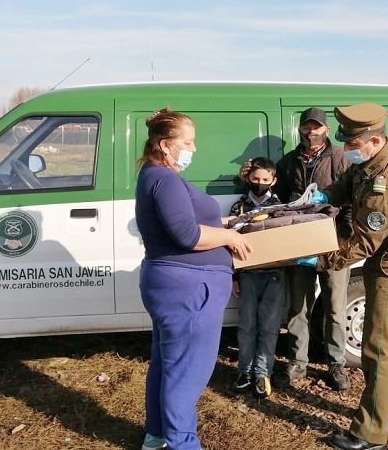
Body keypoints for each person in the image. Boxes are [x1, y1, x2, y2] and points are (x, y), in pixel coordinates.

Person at [136, 108, 252, 450]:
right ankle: (182, 443)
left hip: (176, 283)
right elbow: (187, 235)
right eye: (187, 142)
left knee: (168, 365)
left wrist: (226, 224)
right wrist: (229, 238)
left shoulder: (155, 174)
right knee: (186, 374)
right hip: (188, 288)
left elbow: (185, 222)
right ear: (164, 144)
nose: (193, 149)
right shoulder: (165, 178)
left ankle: (157, 437)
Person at [318, 103, 388, 450]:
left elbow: (365, 241)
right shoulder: (372, 161)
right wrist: (322, 196)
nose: (347, 151)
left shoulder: (387, 184)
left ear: (374, 140)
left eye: (351, 145)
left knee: (376, 346)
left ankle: (369, 433)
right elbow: (347, 183)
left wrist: (323, 259)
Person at [240, 107, 352, 391]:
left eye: (316, 127)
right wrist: (244, 179)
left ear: (326, 130)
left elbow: (353, 198)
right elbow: (272, 196)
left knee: (335, 308)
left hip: (332, 245)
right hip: (299, 243)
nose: (311, 131)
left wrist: (345, 236)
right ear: (301, 129)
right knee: (298, 307)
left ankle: (336, 364)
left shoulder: (340, 158)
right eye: (306, 126)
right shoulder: (289, 161)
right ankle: (297, 362)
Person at [229, 157, 285, 398]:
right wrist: (234, 277)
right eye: (255, 179)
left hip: (274, 275)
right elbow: (229, 242)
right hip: (248, 275)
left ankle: (263, 372)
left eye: (265, 180)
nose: (260, 183)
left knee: (269, 326)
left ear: (273, 181)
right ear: (247, 179)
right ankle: (244, 370)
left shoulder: (280, 208)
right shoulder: (238, 207)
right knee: (247, 325)